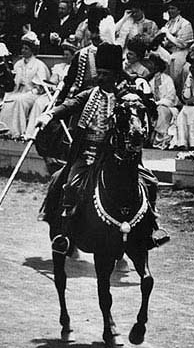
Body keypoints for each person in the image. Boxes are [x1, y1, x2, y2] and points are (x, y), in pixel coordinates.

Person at [36, 41, 167, 251]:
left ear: (115, 76)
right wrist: (50, 114)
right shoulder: (89, 95)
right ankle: (66, 234)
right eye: (100, 73)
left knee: (150, 182)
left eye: (106, 74)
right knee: (68, 184)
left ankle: (151, 227)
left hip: (115, 157)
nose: (100, 77)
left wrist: (144, 94)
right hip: (87, 155)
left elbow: (144, 111)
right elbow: (70, 104)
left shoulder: (126, 98)